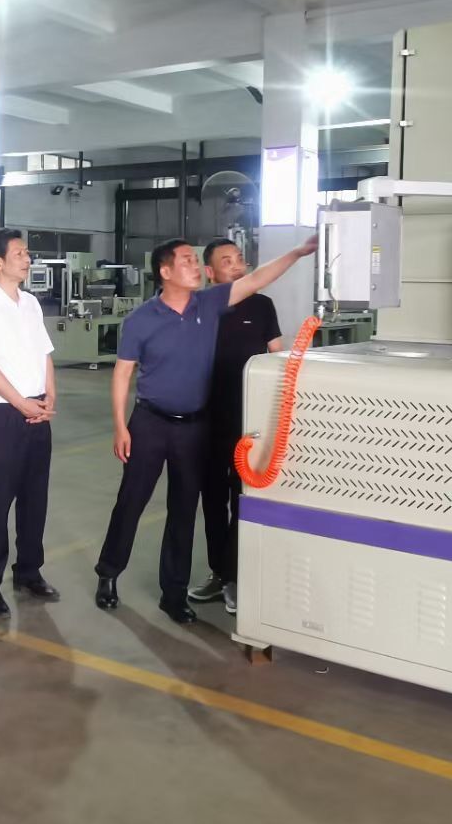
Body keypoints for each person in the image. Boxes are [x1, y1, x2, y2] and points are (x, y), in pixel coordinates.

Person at [94, 234, 316, 624]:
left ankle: (173, 594)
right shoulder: (140, 320)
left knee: (183, 510)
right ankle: (108, 573)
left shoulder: (209, 304)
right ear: (165, 272)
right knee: (131, 501)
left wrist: (298, 252)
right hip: (149, 423)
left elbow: (257, 279)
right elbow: (123, 373)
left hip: (193, 427)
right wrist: (119, 426)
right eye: (186, 261)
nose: (195, 266)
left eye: (196, 261)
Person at [0, 228, 58, 618]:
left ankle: (28, 572)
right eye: (19, 253)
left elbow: (45, 353)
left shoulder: (31, 303)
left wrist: (50, 396)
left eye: (27, 253)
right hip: (4, 415)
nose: (27, 259)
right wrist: (21, 404)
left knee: (36, 499)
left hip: (38, 413)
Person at [188, 238, 283, 615]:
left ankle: (234, 575)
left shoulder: (262, 306)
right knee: (212, 498)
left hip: (250, 420)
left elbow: (277, 353)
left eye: (239, 258)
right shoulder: (201, 307)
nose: (237, 265)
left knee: (242, 496)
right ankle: (218, 572)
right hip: (208, 418)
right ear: (210, 272)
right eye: (226, 261)